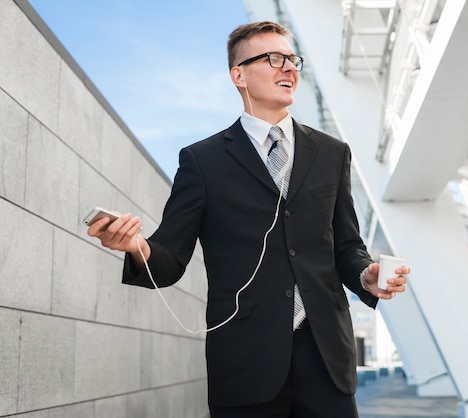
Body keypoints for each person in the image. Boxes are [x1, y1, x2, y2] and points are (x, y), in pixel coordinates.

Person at [87, 20, 409, 418]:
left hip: (327, 361)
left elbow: (346, 246)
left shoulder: (332, 152)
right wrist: (135, 246)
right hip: (244, 363)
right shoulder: (202, 161)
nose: (289, 68)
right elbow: (169, 257)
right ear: (238, 75)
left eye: (293, 60)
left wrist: (366, 275)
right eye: (274, 58)